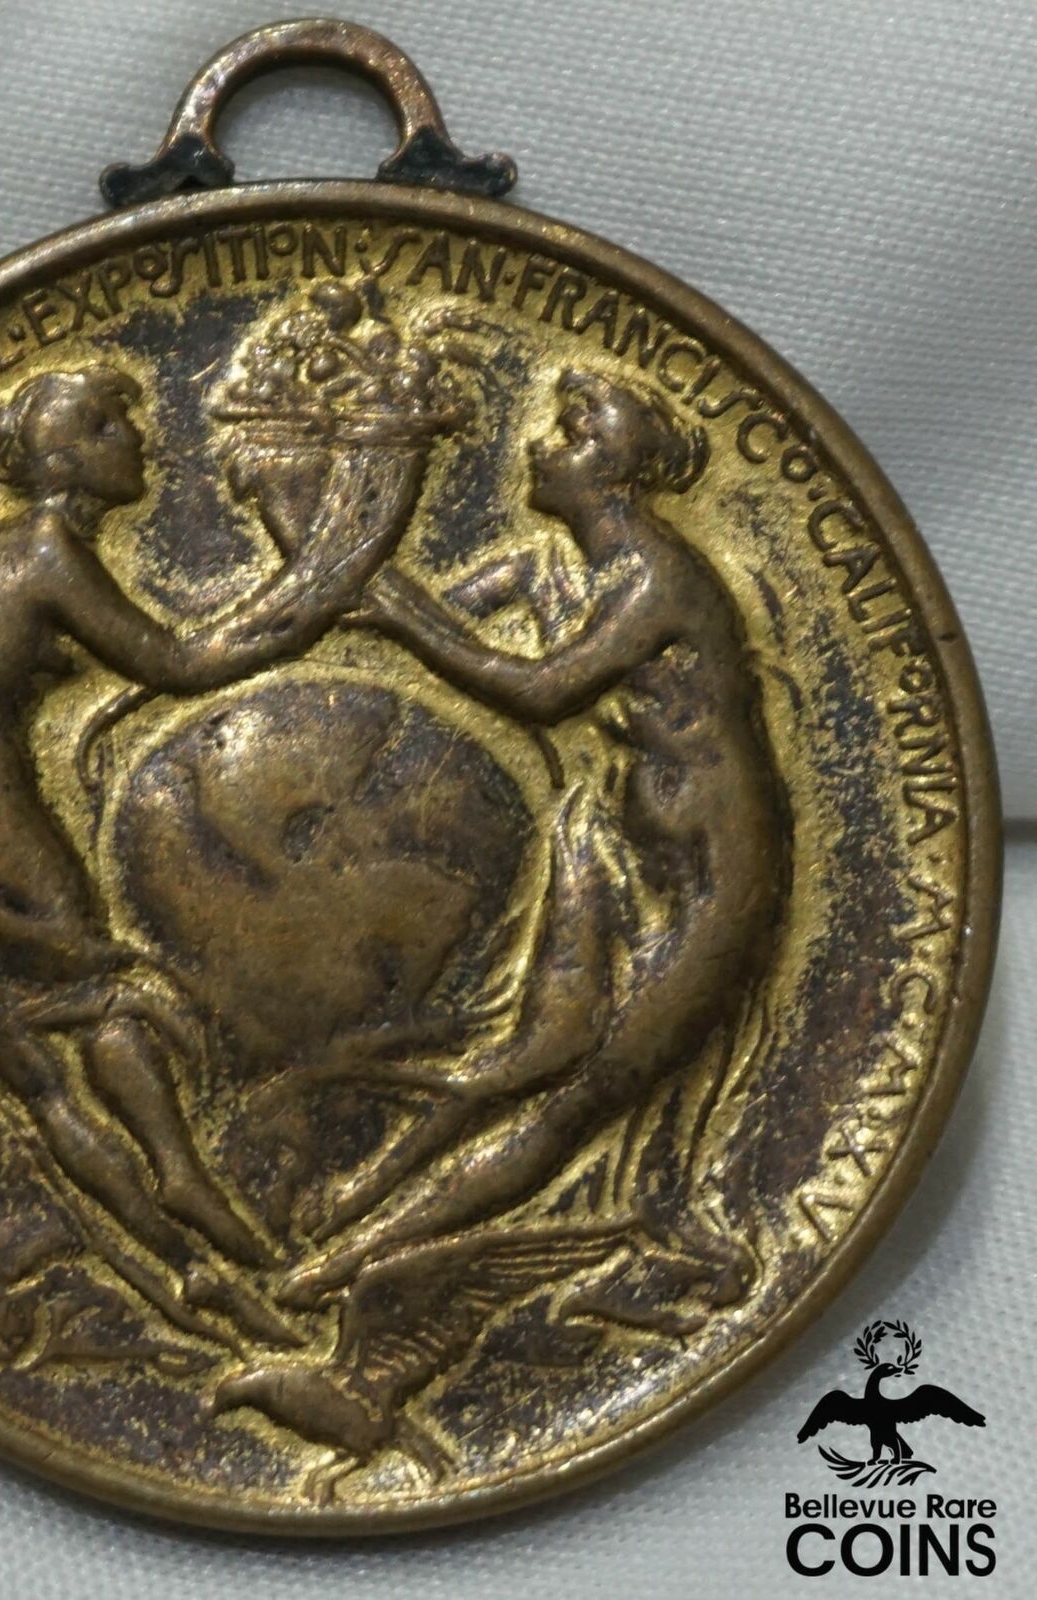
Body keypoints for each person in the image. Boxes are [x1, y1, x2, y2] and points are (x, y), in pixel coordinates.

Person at [0, 362, 430, 1336]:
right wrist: (322, 579)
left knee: (43, 1079)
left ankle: (184, 1265)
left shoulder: (3, 557)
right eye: (111, 425)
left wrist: (315, 577)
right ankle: (181, 1183)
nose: (139, 437)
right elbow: (180, 662)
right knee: (108, 1003)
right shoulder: (42, 551)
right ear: (63, 457)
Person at [281, 367, 788, 1305]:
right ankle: (361, 1194)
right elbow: (414, 615)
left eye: (572, 434)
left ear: (616, 472)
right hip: (614, 841)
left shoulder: (656, 577)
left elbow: (544, 688)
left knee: (579, 1092)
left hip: (711, 877)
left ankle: (348, 1263)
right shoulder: (549, 567)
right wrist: (331, 562)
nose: (542, 446)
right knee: (525, 1055)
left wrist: (390, 607)